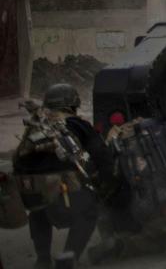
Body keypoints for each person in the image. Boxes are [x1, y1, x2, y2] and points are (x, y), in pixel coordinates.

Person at [13, 84, 115, 268]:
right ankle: (69, 256)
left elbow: (19, 160)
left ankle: (43, 259)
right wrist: (106, 184)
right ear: (72, 105)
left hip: (34, 194)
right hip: (67, 193)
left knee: (38, 212)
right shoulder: (78, 125)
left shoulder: (36, 127)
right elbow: (102, 157)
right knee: (89, 212)